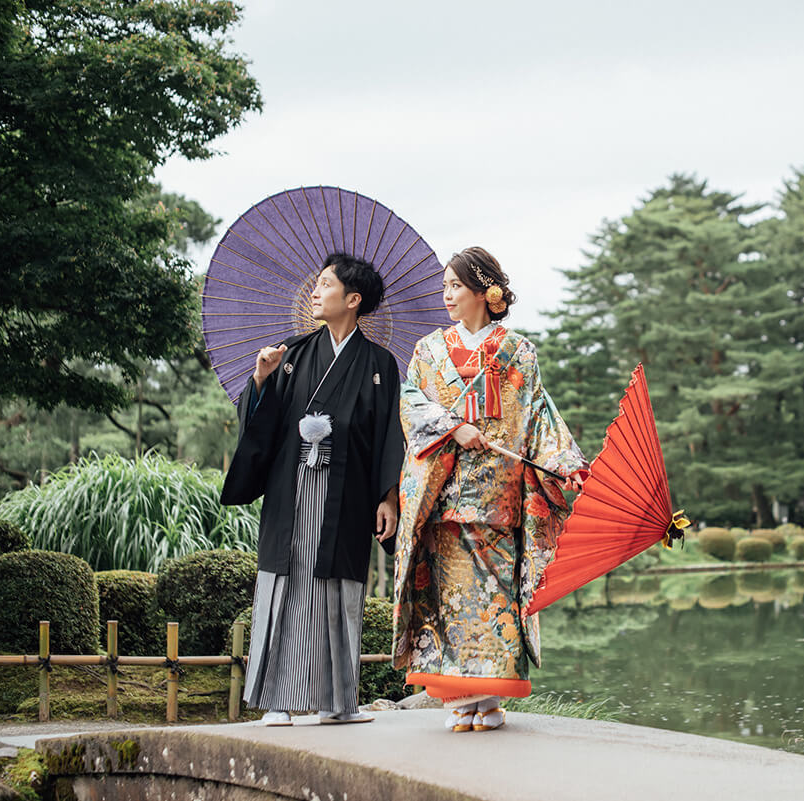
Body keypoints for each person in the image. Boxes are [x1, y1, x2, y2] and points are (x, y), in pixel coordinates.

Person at [392, 246, 589, 732]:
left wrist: (565, 467)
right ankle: (459, 699)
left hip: (498, 496)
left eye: (456, 287)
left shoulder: (517, 351)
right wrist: (452, 426)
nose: (447, 297)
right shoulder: (427, 351)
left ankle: (492, 700)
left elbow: (538, 416)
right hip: (442, 493)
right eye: (445, 287)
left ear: (486, 292)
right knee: (449, 598)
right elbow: (410, 403)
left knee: (495, 598)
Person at [221, 252, 404, 726]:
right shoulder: (291, 354)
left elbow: (388, 434)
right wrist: (261, 379)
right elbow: (260, 426)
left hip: (345, 495)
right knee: (284, 585)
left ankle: (336, 702)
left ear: (353, 299)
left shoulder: (380, 364)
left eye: (326, 285)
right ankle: (277, 702)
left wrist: (388, 497)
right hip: (292, 487)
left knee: (337, 590)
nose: (315, 292)